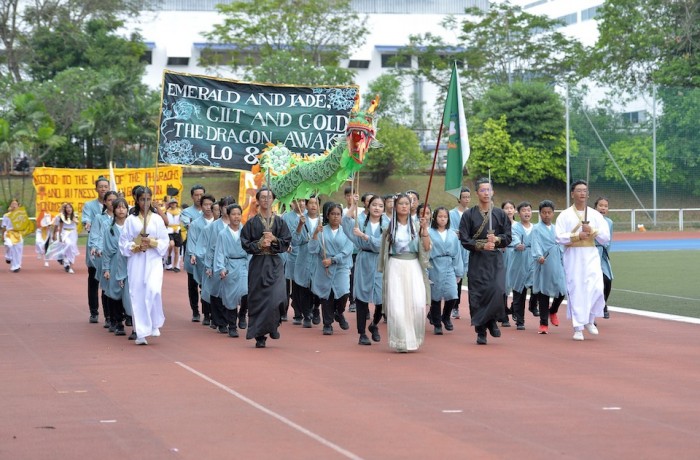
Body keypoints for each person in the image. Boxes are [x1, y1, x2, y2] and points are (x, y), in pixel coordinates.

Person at [555, 180, 611, 341]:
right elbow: (558, 236)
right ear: (572, 193)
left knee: (597, 288)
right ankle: (578, 327)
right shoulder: (565, 215)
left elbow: (605, 237)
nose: (582, 193)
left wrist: (592, 230)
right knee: (577, 289)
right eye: (579, 190)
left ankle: (590, 319)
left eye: (585, 190)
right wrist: (577, 235)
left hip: (591, 254)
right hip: (573, 255)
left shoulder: (595, 215)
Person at [459, 177, 512, 345]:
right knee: (478, 294)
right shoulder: (469, 215)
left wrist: (496, 239)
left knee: (497, 290)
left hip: (495, 260)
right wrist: (482, 245)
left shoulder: (500, 214)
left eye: (488, 190)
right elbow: (464, 239)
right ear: (477, 193)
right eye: (482, 190)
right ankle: (481, 330)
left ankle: (491, 320)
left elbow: (508, 237)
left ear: (493, 192)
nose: (486, 193)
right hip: (478, 260)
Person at [377, 193, 431, 353]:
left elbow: (427, 247)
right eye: (401, 203)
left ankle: (413, 337)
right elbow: (384, 250)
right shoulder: (389, 228)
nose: (404, 206)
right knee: (397, 304)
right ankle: (401, 340)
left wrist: (425, 229)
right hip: (395, 266)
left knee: (416, 303)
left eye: (407, 203)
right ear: (395, 206)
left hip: (413, 265)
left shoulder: (417, 226)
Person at [240, 187, 292, 349]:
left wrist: (275, 239)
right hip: (258, 264)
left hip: (275, 263)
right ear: (258, 200)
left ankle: (274, 324)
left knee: (280, 298)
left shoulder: (279, 222)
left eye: (269, 197)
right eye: (262, 197)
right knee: (258, 299)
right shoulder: (251, 222)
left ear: (273, 200)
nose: (266, 200)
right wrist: (259, 244)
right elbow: (245, 243)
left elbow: (286, 241)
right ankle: (260, 335)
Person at [119, 186, 168, 345]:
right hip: (137, 260)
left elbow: (164, 241)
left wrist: (152, 242)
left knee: (153, 290)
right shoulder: (130, 220)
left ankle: (154, 323)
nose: (145, 202)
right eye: (142, 199)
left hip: (153, 259)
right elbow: (124, 242)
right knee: (138, 293)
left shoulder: (157, 219)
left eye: (148, 199)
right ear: (137, 200)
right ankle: (141, 332)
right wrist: (136, 247)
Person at [342, 194, 389, 345]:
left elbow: (383, 244)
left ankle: (374, 324)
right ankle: (362, 333)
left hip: (381, 262)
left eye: (380, 206)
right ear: (368, 206)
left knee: (382, 299)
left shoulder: (388, 223)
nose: (377, 208)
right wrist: (353, 205)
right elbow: (345, 222)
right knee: (361, 298)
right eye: (374, 205)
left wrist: (364, 236)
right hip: (364, 260)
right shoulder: (360, 220)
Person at [310, 202, 354, 336]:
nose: (336, 217)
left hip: (340, 266)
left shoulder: (347, 232)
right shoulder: (321, 231)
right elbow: (313, 249)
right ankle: (327, 324)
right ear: (327, 216)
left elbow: (348, 250)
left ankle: (339, 312)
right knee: (327, 295)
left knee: (344, 293)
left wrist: (333, 260)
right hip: (325, 268)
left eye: (338, 214)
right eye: (333, 214)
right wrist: (315, 234)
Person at [531, 200, 567, 335]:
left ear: (553, 213)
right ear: (540, 213)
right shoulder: (536, 229)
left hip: (557, 261)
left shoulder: (556, 228)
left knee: (563, 290)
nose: (546, 215)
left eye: (549, 212)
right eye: (544, 213)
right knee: (543, 292)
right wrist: (539, 256)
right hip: (544, 262)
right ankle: (543, 323)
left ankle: (553, 310)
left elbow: (563, 243)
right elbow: (535, 243)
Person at [214, 204, 249, 338]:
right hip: (229, 266)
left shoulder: (246, 231)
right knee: (230, 297)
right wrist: (221, 268)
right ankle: (232, 326)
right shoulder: (223, 234)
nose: (236, 217)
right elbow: (220, 252)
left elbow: (250, 250)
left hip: (243, 264)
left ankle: (243, 314)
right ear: (228, 216)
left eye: (238, 214)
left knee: (246, 291)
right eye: (233, 214)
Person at [427, 206, 463, 335]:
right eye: (440, 216)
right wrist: (425, 272)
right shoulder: (428, 232)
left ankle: (446, 317)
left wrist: (459, 271)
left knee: (452, 294)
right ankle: (437, 324)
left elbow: (457, 253)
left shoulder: (452, 234)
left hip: (449, 265)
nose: (442, 219)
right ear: (435, 218)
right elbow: (425, 252)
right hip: (434, 264)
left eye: (445, 217)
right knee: (435, 296)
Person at [101, 198, 133, 337]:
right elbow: (107, 251)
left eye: (124, 207)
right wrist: (106, 269)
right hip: (115, 262)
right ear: (113, 210)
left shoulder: (132, 227)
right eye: (118, 207)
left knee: (129, 291)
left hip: (130, 262)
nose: (121, 210)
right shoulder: (110, 230)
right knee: (115, 292)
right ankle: (117, 321)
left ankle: (129, 316)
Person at [82, 176, 110, 323]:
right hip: (95, 247)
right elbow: (86, 218)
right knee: (93, 280)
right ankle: (94, 311)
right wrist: (87, 223)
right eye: (101, 186)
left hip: (110, 248)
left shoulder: (114, 205)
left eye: (106, 186)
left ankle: (109, 314)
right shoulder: (90, 205)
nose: (103, 189)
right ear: (96, 188)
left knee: (108, 280)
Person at [187, 194, 217, 325]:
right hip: (200, 259)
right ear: (201, 206)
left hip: (215, 259)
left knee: (214, 286)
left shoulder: (219, 223)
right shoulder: (196, 224)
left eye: (211, 205)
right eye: (205, 204)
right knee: (201, 286)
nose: (208, 207)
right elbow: (192, 241)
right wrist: (193, 254)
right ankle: (202, 312)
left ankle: (213, 313)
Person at [292, 196, 322, 328]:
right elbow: (295, 241)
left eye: (316, 203)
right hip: (304, 256)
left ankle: (316, 307)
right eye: (310, 203)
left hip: (318, 257)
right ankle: (306, 315)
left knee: (317, 286)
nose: (313, 206)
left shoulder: (324, 220)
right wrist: (299, 225)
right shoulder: (301, 219)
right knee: (303, 287)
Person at [509, 201, 535, 330]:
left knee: (536, 287)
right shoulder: (515, 227)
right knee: (519, 291)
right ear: (519, 213)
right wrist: (517, 244)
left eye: (529, 210)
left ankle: (533, 305)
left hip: (533, 260)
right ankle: (520, 321)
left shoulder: (536, 228)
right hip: (520, 260)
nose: (527, 213)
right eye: (524, 210)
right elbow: (514, 238)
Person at [182, 184, 205, 321]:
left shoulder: (210, 211)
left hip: (206, 253)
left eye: (201, 195)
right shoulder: (187, 212)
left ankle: (207, 311)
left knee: (206, 284)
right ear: (192, 196)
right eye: (196, 195)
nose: (199, 197)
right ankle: (195, 311)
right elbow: (188, 225)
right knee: (192, 284)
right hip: (192, 250)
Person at [448, 187, 471, 321]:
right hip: (457, 248)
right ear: (459, 198)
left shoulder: (472, 213)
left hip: (469, 248)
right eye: (464, 197)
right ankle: (454, 306)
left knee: (472, 276)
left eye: (468, 197)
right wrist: (455, 233)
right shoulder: (451, 214)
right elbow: (448, 228)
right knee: (457, 277)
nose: (466, 200)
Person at [282, 200, 304, 325]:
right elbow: (283, 234)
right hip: (288, 253)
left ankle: (298, 312)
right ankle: (283, 311)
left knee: (298, 284)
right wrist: (287, 244)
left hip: (302, 254)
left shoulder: (307, 215)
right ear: (291, 203)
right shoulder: (286, 216)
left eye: (302, 200)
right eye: (297, 201)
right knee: (285, 283)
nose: (300, 203)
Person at [595, 196, 614, 319]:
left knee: (608, 280)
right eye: (600, 205)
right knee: (595, 282)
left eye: (605, 206)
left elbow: (609, 239)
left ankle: (603, 303)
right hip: (591, 253)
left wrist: (606, 252)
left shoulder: (609, 222)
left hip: (603, 254)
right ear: (595, 207)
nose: (603, 208)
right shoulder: (590, 220)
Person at [500, 200, 517, 327]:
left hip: (517, 256)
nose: (509, 210)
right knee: (504, 284)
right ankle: (503, 313)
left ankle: (515, 308)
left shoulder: (518, 225)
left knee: (517, 283)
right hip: (504, 255)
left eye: (511, 208)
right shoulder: (500, 225)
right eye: (506, 208)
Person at [52, 203, 80, 274]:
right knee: (68, 244)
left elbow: (77, 222)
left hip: (73, 233)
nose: (68, 209)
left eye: (70, 207)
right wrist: (57, 235)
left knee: (72, 248)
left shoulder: (74, 215)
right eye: (66, 208)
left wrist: (74, 219)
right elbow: (58, 227)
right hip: (65, 233)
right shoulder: (61, 217)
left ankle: (69, 266)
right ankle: (65, 261)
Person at [2, 199, 23, 273]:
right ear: (10, 205)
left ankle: (16, 266)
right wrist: (2, 235)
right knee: (8, 245)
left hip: (17, 234)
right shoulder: (6, 215)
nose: (14, 205)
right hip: (9, 233)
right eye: (12, 204)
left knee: (17, 251)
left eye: (15, 204)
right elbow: (4, 226)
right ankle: (8, 256)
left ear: (18, 206)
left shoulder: (21, 215)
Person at [165, 198, 183, 272]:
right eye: (172, 203)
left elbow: (183, 220)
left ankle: (175, 266)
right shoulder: (167, 212)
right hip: (169, 231)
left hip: (177, 230)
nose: (173, 204)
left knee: (177, 250)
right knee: (171, 244)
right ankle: (168, 256)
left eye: (174, 203)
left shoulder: (180, 211)